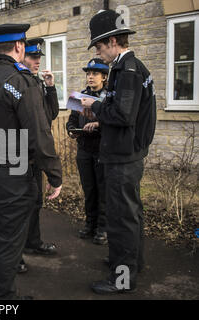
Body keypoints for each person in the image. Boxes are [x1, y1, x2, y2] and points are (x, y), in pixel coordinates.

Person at [0, 24, 62, 300]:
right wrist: (54, 175)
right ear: (19, 47)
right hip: (12, 171)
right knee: (8, 238)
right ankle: (1, 297)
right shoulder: (20, 80)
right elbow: (39, 133)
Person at [81, 10, 156, 294]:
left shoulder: (127, 69)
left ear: (113, 41)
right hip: (129, 153)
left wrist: (95, 106)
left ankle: (122, 278)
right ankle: (131, 262)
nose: (98, 54)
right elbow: (130, 115)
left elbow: (124, 115)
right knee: (131, 213)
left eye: (99, 47)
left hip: (123, 158)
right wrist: (104, 117)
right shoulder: (131, 68)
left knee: (121, 218)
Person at [17, 37, 59, 274]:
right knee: (22, 206)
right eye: (33, 57)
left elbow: (50, 115)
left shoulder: (36, 82)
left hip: (35, 154)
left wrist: (51, 87)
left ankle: (33, 242)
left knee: (35, 202)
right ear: (22, 55)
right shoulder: (20, 82)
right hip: (21, 154)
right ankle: (17, 253)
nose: (37, 61)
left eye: (39, 57)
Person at [66, 58, 109, 245]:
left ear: (104, 77)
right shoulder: (79, 96)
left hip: (102, 150)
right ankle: (90, 224)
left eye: (95, 74)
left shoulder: (109, 98)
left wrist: (98, 124)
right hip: (84, 149)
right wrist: (72, 130)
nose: (90, 77)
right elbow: (71, 120)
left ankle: (103, 228)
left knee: (103, 190)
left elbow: (115, 120)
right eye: (88, 74)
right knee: (89, 189)